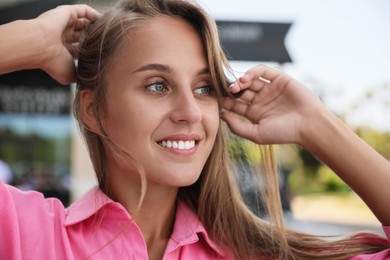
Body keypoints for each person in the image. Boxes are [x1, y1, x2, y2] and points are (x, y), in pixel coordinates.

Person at [0, 0, 389, 259]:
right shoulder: (24, 233)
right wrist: (35, 40)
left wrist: (315, 125)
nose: (190, 112)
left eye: (204, 88)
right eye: (157, 85)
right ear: (92, 108)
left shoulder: (255, 254)